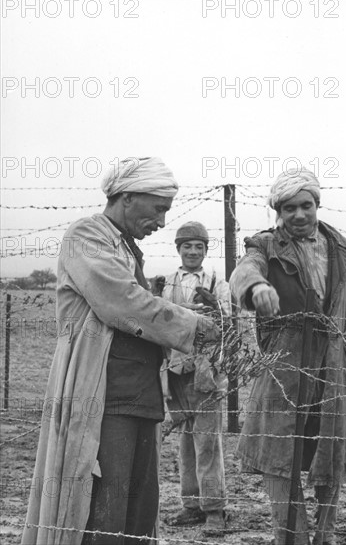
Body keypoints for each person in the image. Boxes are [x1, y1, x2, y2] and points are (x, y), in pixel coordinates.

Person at [22, 157, 219, 545]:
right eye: (158, 208)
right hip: (103, 395)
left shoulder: (126, 247)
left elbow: (137, 305)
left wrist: (181, 314)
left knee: (138, 513)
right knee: (103, 512)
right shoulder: (87, 236)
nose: (162, 222)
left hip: (141, 397)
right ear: (127, 197)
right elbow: (121, 303)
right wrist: (191, 325)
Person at [230, 168, 346, 545]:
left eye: (306, 206)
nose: (299, 215)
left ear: (317, 204)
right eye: (289, 208)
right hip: (285, 364)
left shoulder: (341, 248)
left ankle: (324, 535)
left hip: (332, 364)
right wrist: (257, 286)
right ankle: (291, 536)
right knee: (281, 455)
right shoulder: (264, 245)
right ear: (278, 211)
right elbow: (245, 271)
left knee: (330, 449)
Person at [160, 221, 230, 531]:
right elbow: (158, 319)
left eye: (198, 246)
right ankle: (191, 504)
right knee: (186, 443)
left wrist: (214, 307)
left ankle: (214, 509)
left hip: (206, 371)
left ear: (205, 250)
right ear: (179, 249)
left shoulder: (218, 281)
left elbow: (228, 323)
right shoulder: (167, 281)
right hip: (176, 370)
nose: (192, 251)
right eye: (186, 246)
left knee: (208, 443)